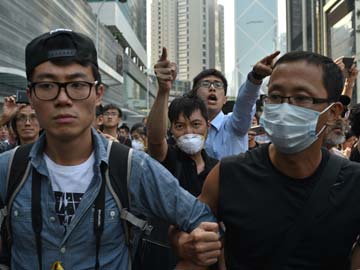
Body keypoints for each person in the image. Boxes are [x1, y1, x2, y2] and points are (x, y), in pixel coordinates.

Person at [0, 29, 221, 269]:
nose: (63, 98)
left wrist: (179, 242)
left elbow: (203, 223)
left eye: (77, 84)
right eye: (47, 85)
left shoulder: (131, 167)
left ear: (98, 94)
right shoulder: (8, 169)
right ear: (31, 96)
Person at [177, 51, 360, 269]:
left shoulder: (353, 183)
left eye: (301, 98)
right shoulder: (229, 174)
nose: (285, 108)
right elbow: (187, 232)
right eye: (275, 96)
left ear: (333, 112)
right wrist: (182, 243)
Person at [146, 48, 219, 269]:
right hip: (166, 255)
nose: (189, 131)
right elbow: (155, 139)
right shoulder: (169, 159)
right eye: (180, 126)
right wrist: (163, 91)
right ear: (172, 131)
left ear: (207, 126)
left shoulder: (218, 169)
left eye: (195, 124)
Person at [188, 51, 280, 159]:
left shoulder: (235, 125)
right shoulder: (185, 128)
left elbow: (245, 103)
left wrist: (256, 76)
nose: (212, 88)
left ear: (224, 99)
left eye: (218, 85)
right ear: (194, 95)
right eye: (205, 84)